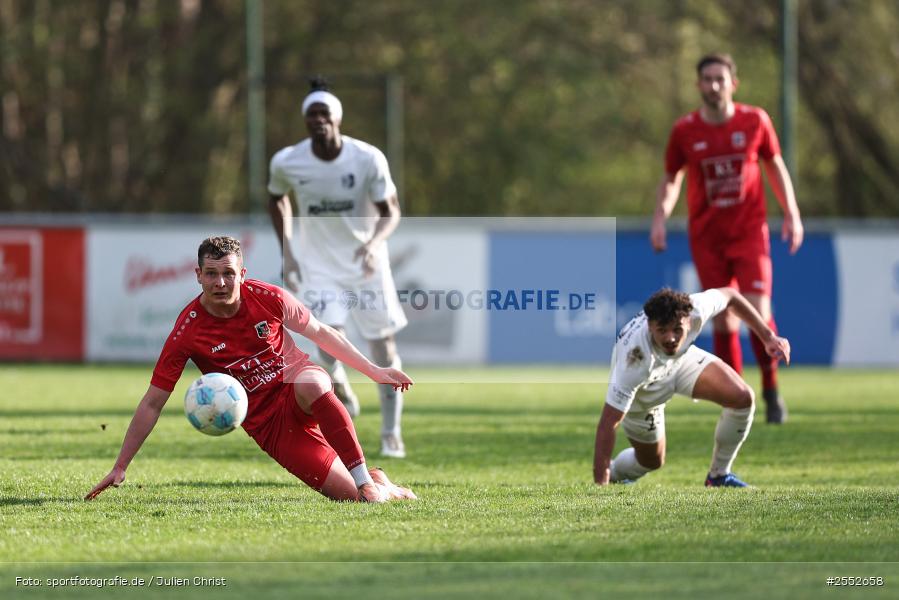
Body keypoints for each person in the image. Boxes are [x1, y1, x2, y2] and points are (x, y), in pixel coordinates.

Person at [86, 236, 416, 503]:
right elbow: (152, 402)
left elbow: (321, 333)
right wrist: (120, 466)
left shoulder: (268, 297)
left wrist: (375, 371)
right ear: (198, 275)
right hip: (270, 427)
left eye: (229, 273)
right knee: (355, 501)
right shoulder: (187, 331)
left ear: (242, 274)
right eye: (212, 274)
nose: (220, 282)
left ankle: (364, 480)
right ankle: (378, 484)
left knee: (314, 383)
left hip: (295, 384)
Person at [650, 53, 803, 424]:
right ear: (698, 85)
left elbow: (774, 165)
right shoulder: (685, 131)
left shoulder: (755, 121)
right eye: (707, 79)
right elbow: (672, 178)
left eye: (721, 78)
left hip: (750, 232)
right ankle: (735, 400)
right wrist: (659, 217)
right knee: (724, 320)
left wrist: (792, 213)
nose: (714, 85)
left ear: (733, 83)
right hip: (707, 238)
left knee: (758, 313)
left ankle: (770, 390)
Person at [268, 78, 409, 457]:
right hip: (318, 266)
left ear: (337, 119)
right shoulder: (287, 161)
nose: (318, 120)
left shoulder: (367, 158)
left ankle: (390, 432)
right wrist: (288, 250)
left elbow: (390, 211)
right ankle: (341, 386)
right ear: (305, 120)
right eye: (311, 115)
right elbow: (277, 199)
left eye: (324, 114)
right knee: (329, 340)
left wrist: (374, 244)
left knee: (383, 347)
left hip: (366, 265)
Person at [593, 287, 791, 487]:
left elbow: (731, 296)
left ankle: (718, 476)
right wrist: (600, 483)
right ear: (650, 325)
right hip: (644, 395)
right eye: (662, 330)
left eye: (677, 329)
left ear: (688, 320)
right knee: (652, 462)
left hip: (680, 362)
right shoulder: (633, 360)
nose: (670, 338)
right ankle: (615, 473)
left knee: (742, 397)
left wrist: (767, 336)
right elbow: (608, 423)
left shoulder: (695, 308)